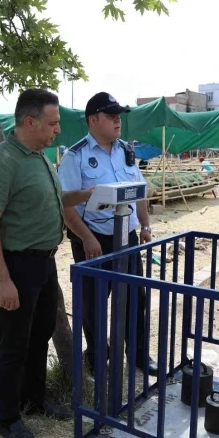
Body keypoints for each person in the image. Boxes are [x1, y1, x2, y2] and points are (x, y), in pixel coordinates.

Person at [0, 89, 93, 438]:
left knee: (40, 333)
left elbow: (54, 200)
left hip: (43, 262)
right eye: (53, 122)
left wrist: (90, 194)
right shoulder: (3, 161)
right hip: (18, 265)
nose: (58, 129)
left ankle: (34, 398)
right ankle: (8, 418)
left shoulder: (40, 157)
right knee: (14, 343)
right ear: (31, 122)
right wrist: (3, 280)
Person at [58, 92, 159, 378]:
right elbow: (66, 204)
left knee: (134, 297)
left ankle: (138, 355)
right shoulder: (75, 156)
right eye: (111, 116)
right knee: (94, 303)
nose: (118, 121)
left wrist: (146, 225)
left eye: (119, 116)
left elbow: (138, 191)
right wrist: (86, 238)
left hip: (125, 236)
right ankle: (97, 359)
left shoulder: (126, 150)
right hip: (93, 239)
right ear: (93, 120)